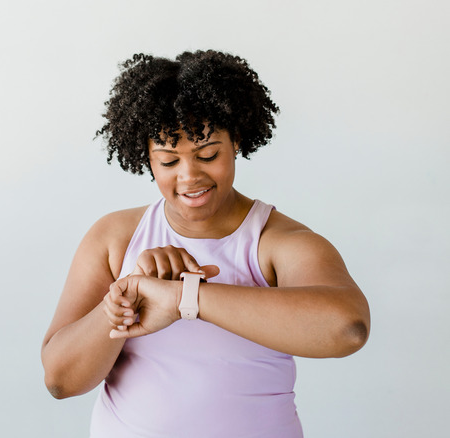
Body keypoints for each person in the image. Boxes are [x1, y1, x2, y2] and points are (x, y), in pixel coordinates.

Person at [40, 50, 370, 437]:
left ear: (237, 141)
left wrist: (184, 300)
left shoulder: (278, 243)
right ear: (146, 158)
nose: (189, 176)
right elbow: (60, 381)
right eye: (167, 161)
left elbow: (347, 329)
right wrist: (120, 306)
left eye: (208, 154)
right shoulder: (115, 238)